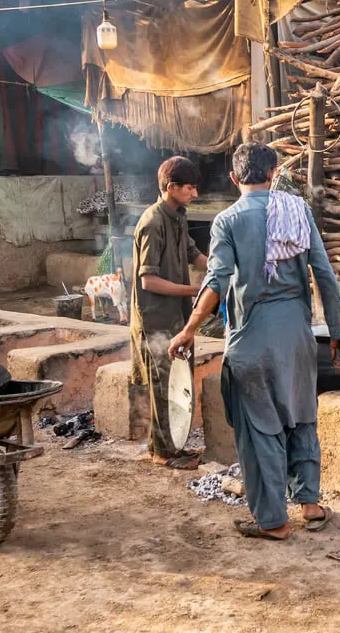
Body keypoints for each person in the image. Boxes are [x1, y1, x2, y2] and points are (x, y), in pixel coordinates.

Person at [169, 143, 340, 541]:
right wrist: (338, 332)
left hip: (252, 341)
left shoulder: (228, 221)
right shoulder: (297, 210)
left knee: (260, 430)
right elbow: (324, 274)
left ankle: (273, 521)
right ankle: (311, 505)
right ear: (274, 173)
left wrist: (189, 330)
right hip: (298, 338)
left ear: (234, 179)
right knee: (302, 416)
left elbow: (216, 281)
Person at [131, 156, 209, 470]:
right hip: (156, 320)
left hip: (177, 317)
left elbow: (192, 253)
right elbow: (148, 280)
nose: (194, 193)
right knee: (163, 387)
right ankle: (163, 452)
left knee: (179, 384)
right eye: (189, 188)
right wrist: (197, 291)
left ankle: (174, 446)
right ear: (171, 187)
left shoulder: (177, 216)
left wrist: (218, 268)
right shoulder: (152, 222)